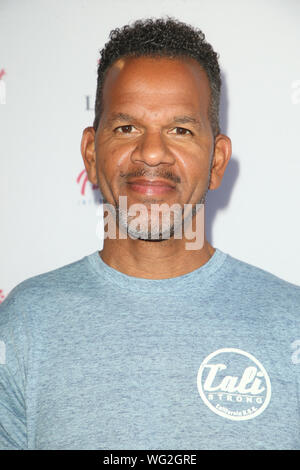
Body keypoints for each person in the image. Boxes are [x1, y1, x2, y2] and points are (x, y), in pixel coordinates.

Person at [0, 17, 300, 451]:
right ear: (90, 152)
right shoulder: (25, 325)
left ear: (217, 161)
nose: (153, 152)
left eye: (180, 130)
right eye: (127, 127)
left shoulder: (290, 322)